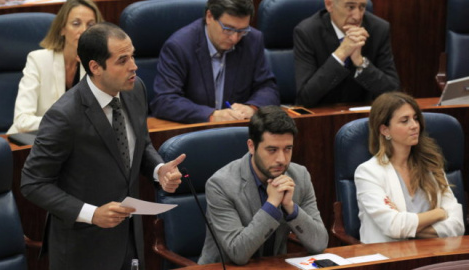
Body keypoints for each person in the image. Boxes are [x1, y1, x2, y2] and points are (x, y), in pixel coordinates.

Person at [20, 22, 186, 270]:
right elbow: (33, 183)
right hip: (83, 247)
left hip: (129, 237)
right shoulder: (64, 116)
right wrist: (91, 213)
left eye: (133, 56)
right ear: (95, 67)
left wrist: (158, 169)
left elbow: (140, 144)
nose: (134, 66)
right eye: (122, 60)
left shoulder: (135, 89)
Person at [198, 106, 328, 265]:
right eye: (272, 150)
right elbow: (238, 253)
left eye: (288, 149)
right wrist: (272, 205)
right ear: (251, 146)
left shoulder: (299, 176)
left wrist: (290, 207)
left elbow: (319, 243)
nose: (281, 159)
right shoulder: (220, 185)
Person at [355, 92, 464, 244]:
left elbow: (457, 225)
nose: (414, 126)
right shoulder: (368, 172)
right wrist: (439, 213)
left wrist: (407, 226)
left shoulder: (430, 164)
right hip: (389, 259)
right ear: (385, 130)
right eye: (404, 121)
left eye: (415, 118)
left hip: (434, 252)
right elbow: (393, 226)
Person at [151, 0, 279, 124]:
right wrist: (212, 115)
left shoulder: (252, 41)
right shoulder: (179, 46)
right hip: (193, 133)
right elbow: (164, 100)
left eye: (242, 31)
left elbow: (268, 87)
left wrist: (252, 108)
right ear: (209, 16)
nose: (234, 38)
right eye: (228, 29)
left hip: (239, 131)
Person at [7, 0, 103, 134]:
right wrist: (68, 122)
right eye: (76, 24)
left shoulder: (97, 65)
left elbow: (105, 115)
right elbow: (22, 121)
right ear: (62, 28)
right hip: (32, 141)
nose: (83, 30)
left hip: (77, 143)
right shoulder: (38, 60)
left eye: (91, 25)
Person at [293, 0, 400, 108]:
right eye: (350, 7)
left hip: (364, 117)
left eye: (362, 7)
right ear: (329, 5)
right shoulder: (307, 32)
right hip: (322, 117)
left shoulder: (378, 29)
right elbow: (304, 98)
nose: (358, 17)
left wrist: (360, 62)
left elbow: (394, 93)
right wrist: (341, 54)